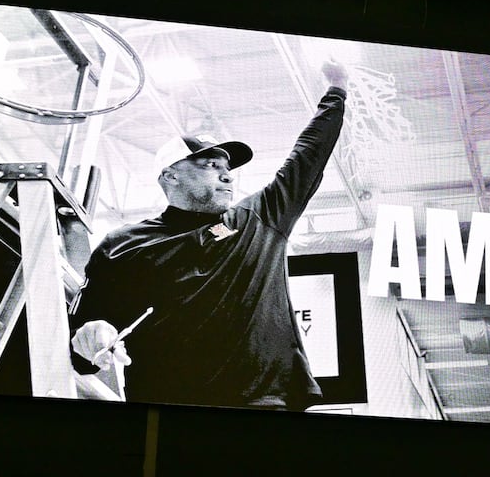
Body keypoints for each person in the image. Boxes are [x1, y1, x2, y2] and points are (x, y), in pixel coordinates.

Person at [69, 60, 350, 410]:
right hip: (169, 416)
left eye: (227, 168)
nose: (227, 176)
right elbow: (81, 344)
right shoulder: (122, 246)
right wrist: (91, 335)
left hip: (267, 407)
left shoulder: (257, 219)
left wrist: (336, 90)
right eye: (210, 166)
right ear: (170, 177)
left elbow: (308, 154)